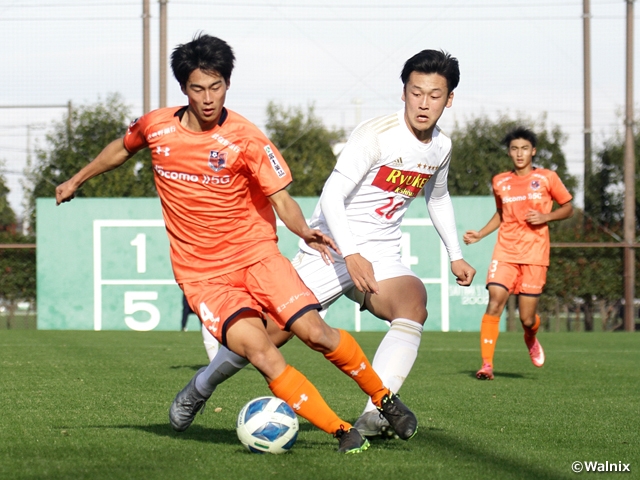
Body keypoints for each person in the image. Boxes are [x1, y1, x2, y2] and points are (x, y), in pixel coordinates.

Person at [55, 33, 417, 454]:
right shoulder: (157, 127)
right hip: (204, 275)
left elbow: (282, 199)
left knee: (314, 332)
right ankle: (341, 432)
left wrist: (302, 230)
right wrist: (76, 179)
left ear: (227, 84)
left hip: (258, 257)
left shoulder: (248, 138)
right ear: (183, 88)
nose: (208, 98)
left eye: (216, 86)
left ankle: (385, 399)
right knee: (260, 351)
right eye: (197, 88)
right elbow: (122, 147)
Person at [174, 48, 476, 438]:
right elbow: (332, 196)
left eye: (434, 95)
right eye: (416, 92)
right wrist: (349, 255)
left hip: (381, 254)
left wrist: (456, 255)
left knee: (413, 303)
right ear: (403, 92)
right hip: (331, 249)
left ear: (449, 99)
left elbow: (437, 197)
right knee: (265, 338)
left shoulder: (441, 147)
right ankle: (199, 388)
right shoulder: (375, 135)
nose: (423, 103)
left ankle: (374, 413)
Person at [463, 127, 573, 380]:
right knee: (494, 301)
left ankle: (531, 336)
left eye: (524, 148)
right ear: (509, 152)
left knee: (526, 318)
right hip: (506, 250)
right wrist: (480, 234)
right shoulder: (500, 181)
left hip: (535, 253)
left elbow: (568, 208)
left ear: (533, 151)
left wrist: (546, 216)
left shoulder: (547, 178)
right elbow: (502, 213)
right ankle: (486, 365)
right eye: (514, 149)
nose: (519, 153)